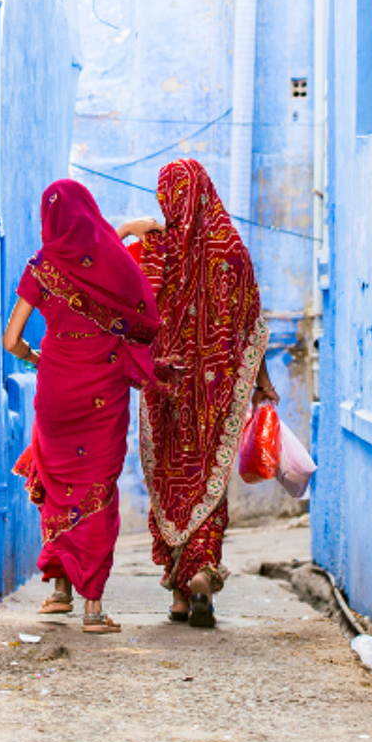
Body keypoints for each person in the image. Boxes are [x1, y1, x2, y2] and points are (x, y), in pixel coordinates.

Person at [120, 159, 277, 629]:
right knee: (208, 481)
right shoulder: (232, 250)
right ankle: (203, 573)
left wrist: (141, 227)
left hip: (164, 386)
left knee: (172, 481)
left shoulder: (157, 249)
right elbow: (252, 327)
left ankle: (179, 596)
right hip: (216, 391)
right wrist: (262, 382)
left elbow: (128, 297)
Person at [2, 179, 160, 634]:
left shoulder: (40, 267)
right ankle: (93, 608)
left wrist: (38, 357)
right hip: (101, 389)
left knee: (58, 483)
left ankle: (58, 592)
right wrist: (131, 230)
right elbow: (135, 303)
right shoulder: (109, 260)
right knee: (96, 486)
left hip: (55, 387)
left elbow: (12, 340)